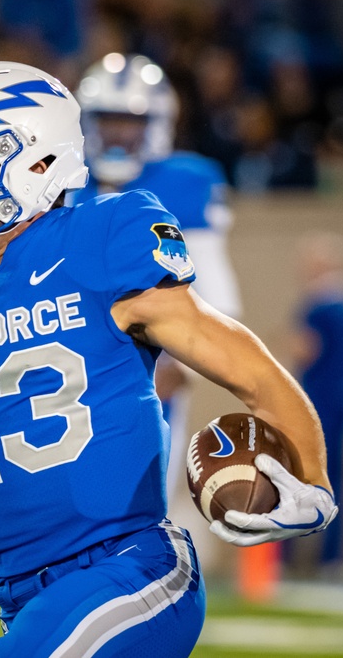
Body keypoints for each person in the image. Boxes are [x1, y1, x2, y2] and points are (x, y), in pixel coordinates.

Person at [0, 61, 338, 656]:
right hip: (20, 600)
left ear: (39, 161)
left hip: (131, 571)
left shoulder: (105, 235)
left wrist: (316, 481)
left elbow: (248, 369)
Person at [70, 52, 243, 495]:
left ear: (157, 122)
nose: (117, 131)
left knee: (140, 496)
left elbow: (217, 294)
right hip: (69, 354)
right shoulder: (67, 181)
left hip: (152, 360)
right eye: (107, 118)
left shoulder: (185, 181)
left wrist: (180, 367)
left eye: (130, 119)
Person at [288, 232, 343, 569]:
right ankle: (332, 555)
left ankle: (288, 554)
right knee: (336, 477)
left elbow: (306, 350)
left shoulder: (320, 305)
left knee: (299, 472)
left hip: (317, 401)